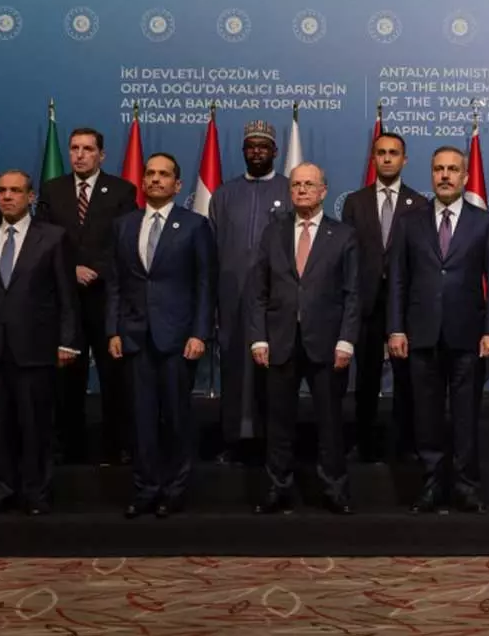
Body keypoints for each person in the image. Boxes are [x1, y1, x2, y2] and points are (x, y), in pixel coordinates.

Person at [388, 145, 489, 514]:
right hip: (421, 334)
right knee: (426, 416)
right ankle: (431, 486)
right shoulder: (409, 222)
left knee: (466, 416)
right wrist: (396, 328)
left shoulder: (485, 223)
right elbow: (398, 280)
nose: (445, 176)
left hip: (468, 334)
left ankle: (467, 487)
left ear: (465, 176)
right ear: (431, 173)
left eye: (453, 169)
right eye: (439, 169)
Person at [0, 171, 79, 516]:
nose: (7, 196)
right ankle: (0, 492)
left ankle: (36, 493)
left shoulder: (53, 237)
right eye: (2, 191)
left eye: (15, 191)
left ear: (31, 197)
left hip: (36, 348)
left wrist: (67, 341)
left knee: (35, 426)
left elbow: (67, 296)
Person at [250, 163, 359, 515]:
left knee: (329, 422)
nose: (301, 190)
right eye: (296, 184)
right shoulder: (273, 233)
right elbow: (259, 290)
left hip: (327, 343)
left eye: (309, 185)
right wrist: (258, 338)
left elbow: (352, 294)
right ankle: (277, 488)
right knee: (278, 422)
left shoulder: (343, 235)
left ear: (323, 191)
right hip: (280, 341)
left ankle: (334, 490)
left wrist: (346, 340)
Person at [109, 153, 214, 519]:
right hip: (134, 336)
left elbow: (205, 283)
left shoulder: (195, 225)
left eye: (163, 174)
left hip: (177, 338)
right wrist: (112, 329)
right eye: (150, 173)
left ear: (177, 184)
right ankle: (145, 489)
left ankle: (174, 490)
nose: (155, 179)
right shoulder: (124, 225)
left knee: (176, 418)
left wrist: (200, 332)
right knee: (141, 420)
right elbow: (116, 283)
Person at [35, 127, 139, 466]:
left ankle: (115, 446)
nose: (79, 155)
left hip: (107, 297)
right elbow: (41, 238)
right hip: (65, 298)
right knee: (67, 378)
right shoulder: (52, 189)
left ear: (101, 155)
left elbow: (125, 240)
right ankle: (70, 447)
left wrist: (95, 268)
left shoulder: (122, 190)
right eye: (74, 148)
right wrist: (72, 269)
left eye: (88, 149)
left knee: (114, 376)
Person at [208, 120, 290, 463]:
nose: (257, 152)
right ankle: (234, 439)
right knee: (234, 369)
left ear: (275, 151)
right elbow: (212, 248)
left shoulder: (290, 189)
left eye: (263, 146)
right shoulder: (224, 194)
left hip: (277, 300)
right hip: (232, 297)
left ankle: (273, 442)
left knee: (275, 372)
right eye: (251, 147)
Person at [341, 131, 423, 462]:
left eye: (393, 153)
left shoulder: (419, 203)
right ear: (373, 158)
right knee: (366, 378)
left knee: (406, 379)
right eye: (381, 152)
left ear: (405, 159)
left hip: (405, 305)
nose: (387, 158)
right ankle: (364, 444)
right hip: (366, 303)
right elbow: (347, 256)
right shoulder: (355, 202)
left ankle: (404, 444)